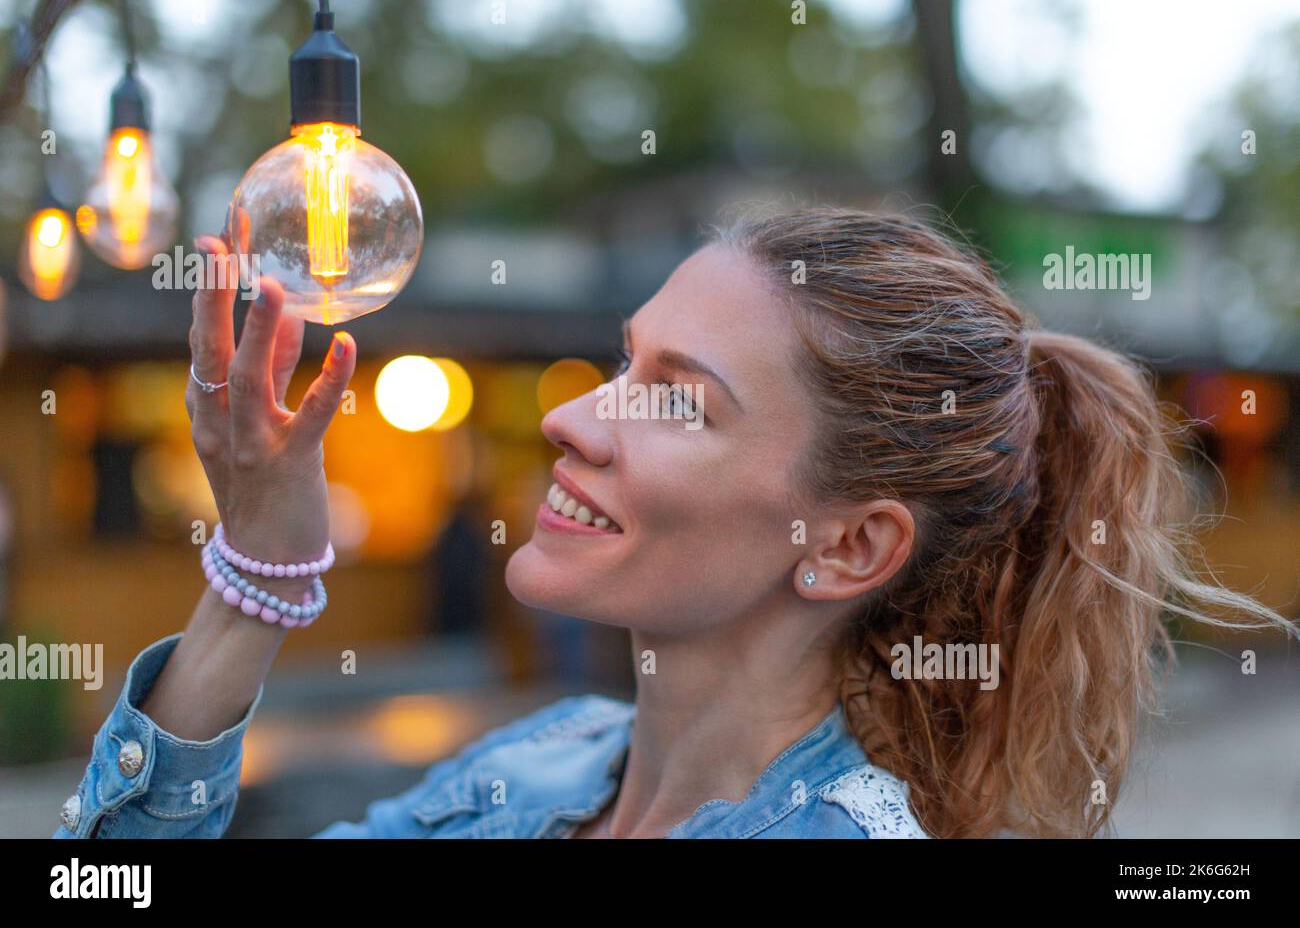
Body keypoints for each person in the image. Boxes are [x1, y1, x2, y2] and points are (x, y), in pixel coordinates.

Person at [52, 205, 1295, 839]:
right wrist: (260, 571)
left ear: (852, 544)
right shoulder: (544, 762)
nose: (575, 420)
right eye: (622, 359)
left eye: (678, 401)